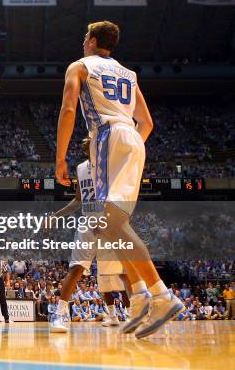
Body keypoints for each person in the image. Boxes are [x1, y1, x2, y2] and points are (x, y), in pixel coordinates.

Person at [55, 21, 183, 339]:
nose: (83, 41)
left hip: (108, 136)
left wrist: (59, 158)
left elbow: (69, 109)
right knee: (107, 224)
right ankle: (139, 296)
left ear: (93, 40)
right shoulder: (128, 73)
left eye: (85, 36)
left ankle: (161, 295)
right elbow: (147, 122)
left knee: (110, 222)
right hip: (132, 138)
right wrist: (130, 146)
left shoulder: (80, 65)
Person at [49, 137, 135, 333]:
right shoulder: (81, 169)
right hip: (87, 222)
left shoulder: (110, 165)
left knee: (122, 272)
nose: (92, 145)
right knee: (76, 268)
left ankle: (133, 314)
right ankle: (59, 314)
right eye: (89, 143)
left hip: (108, 222)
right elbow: (78, 200)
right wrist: (56, 215)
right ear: (86, 148)